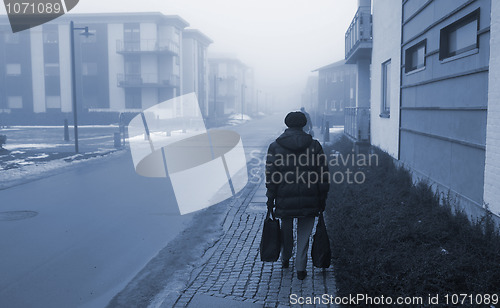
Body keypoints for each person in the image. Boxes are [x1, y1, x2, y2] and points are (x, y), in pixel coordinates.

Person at [265, 111, 330, 280]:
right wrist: (322, 197)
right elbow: (323, 174)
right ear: (304, 124)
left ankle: (286, 258)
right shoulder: (315, 146)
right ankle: (301, 268)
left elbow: (271, 175)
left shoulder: (275, 146)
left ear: (287, 124)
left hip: (284, 196)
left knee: (286, 230)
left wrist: (270, 197)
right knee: (304, 233)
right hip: (311, 196)